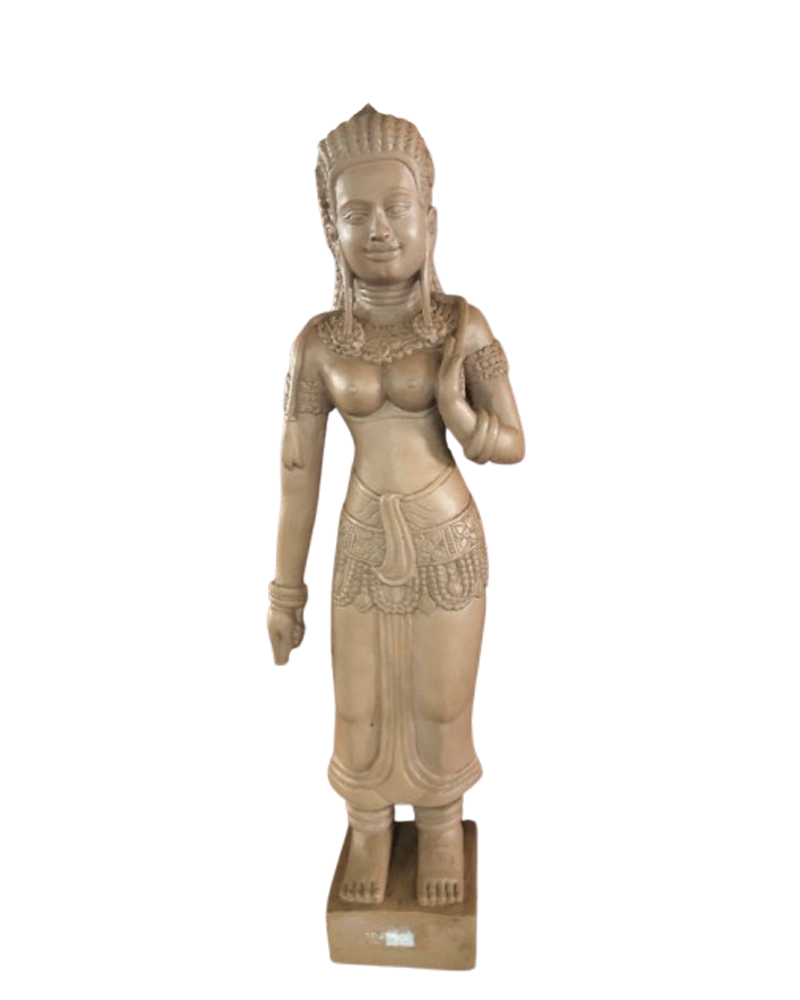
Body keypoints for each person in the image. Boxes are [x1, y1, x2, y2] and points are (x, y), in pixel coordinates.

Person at [267, 105, 524, 907]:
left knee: (439, 697)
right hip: (364, 539)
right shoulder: (318, 344)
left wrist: (461, 418)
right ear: (330, 230)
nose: (379, 229)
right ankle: (370, 825)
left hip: (445, 537)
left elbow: (514, 445)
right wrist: (283, 595)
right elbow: (300, 472)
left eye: (397, 207)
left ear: (429, 217)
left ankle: (441, 821)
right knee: (363, 700)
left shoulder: (462, 326)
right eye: (357, 213)